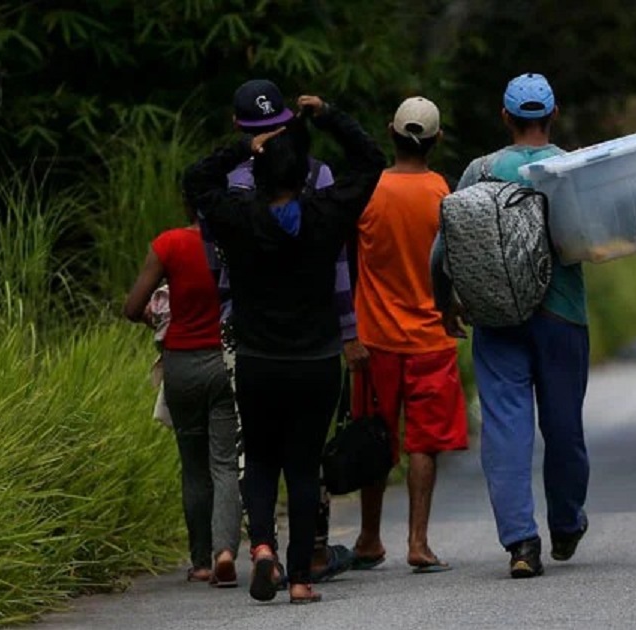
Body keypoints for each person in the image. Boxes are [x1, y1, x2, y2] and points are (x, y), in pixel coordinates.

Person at [183, 94, 384, 604]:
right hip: (315, 362)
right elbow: (370, 161)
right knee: (302, 467)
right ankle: (298, 580)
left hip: (257, 360)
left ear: (260, 172)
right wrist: (326, 115)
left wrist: (243, 149)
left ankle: (264, 548)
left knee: (263, 461)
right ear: (303, 174)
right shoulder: (325, 213)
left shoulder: (239, 219)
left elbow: (196, 181)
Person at [431, 73, 590, 579]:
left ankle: (522, 543)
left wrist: (445, 303)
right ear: (553, 114)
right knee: (563, 425)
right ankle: (566, 523)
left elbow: (445, 245)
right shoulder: (571, 168)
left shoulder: (480, 172)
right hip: (562, 315)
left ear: (505, 118)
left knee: (505, 429)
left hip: (497, 316)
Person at [349, 97, 469, 574]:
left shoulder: (367, 192)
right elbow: (456, 265)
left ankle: (368, 537)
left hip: (374, 337)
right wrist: (455, 309)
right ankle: (418, 543)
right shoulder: (445, 194)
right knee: (424, 443)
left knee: (376, 438)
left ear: (390, 132)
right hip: (431, 339)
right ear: (436, 140)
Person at [123, 192, 242, 588]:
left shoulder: (168, 245)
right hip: (222, 362)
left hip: (181, 366)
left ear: (187, 206)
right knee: (224, 463)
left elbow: (132, 305)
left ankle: (201, 561)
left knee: (193, 467)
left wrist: (155, 319)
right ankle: (226, 551)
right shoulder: (232, 244)